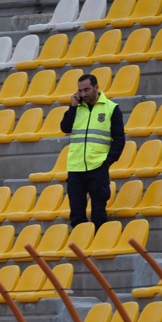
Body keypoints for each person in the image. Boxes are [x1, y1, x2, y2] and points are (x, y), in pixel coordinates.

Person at [59, 73, 125, 229]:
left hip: (98, 168)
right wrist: (72, 107)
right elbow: (65, 127)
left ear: (96, 87)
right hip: (75, 168)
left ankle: (100, 248)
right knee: (76, 215)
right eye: (80, 91)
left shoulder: (111, 108)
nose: (83, 94)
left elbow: (119, 140)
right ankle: (81, 249)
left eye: (87, 90)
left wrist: (107, 162)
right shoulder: (76, 107)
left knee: (98, 214)